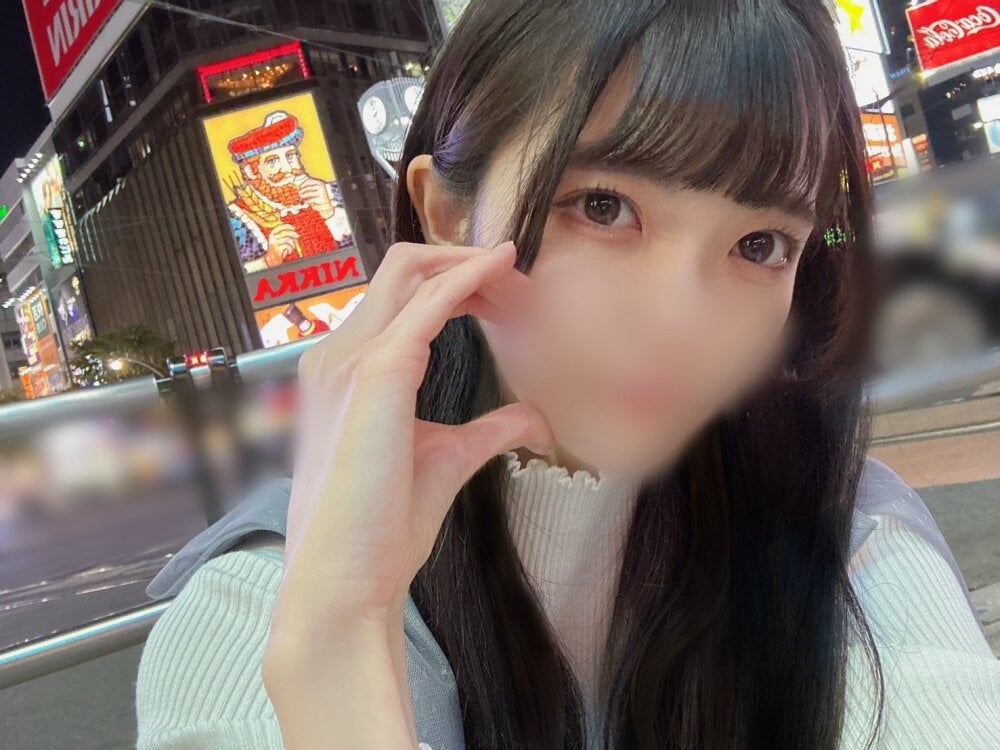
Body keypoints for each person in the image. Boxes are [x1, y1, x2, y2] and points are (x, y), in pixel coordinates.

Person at [135, 2, 1000, 748]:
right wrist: (337, 643)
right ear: (449, 218)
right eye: (604, 207)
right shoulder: (258, 606)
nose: (681, 322)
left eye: (760, 244)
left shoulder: (844, 533)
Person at [225, 110, 354, 272]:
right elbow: (231, 272)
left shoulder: (332, 193)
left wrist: (330, 214)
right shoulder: (237, 218)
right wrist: (268, 261)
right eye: (273, 162)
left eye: (291, 157)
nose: (287, 168)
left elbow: (367, 243)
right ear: (251, 171)